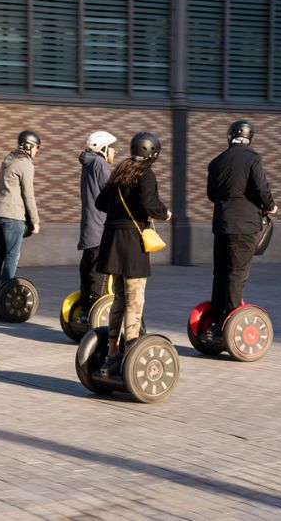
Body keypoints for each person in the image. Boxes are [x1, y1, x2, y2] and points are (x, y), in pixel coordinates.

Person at [94, 132, 171, 377]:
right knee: (134, 300)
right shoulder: (145, 174)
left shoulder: (120, 171)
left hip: (112, 241)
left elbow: (100, 203)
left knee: (119, 297)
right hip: (132, 244)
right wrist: (165, 213)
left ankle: (112, 350)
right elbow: (150, 204)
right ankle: (130, 351)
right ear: (152, 153)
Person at [206, 120, 278, 337]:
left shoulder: (216, 162)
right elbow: (260, 187)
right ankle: (229, 321)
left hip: (221, 224)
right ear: (250, 137)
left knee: (220, 273)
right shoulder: (252, 158)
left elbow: (211, 195)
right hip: (244, 226)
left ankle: (215, 320)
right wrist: (270, 205)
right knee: (237, 273)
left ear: (230, 137)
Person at [0, 130, 41, 307]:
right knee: (12, 255)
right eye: (37, 147)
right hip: (13, 215)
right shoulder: (25, 164)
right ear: (29, 145)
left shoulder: (8, 159)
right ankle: (4, 295)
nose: (37, 151)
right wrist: (35, 220)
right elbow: (28, 194)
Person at [77, 131, 117, 322]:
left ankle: (85, 310)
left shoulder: (89, 163)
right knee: (99, 273)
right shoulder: (100, 164)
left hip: (90, 227)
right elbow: (111, 192)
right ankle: (94, 311)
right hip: (100, 227)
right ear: (103, 148)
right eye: (112, 148)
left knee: (87, 269)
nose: (115, 151)